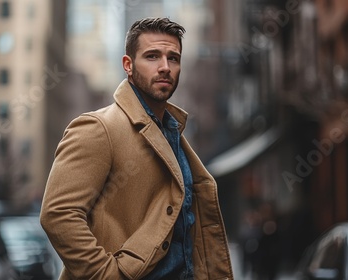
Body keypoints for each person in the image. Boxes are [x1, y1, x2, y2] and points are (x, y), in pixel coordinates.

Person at [40, 17, 234, 280]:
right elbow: (58, 214)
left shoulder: (172, 133)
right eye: (152, 56)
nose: (165, 67)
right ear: (128, 65)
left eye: (173, 58)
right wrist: (108, 275)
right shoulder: (98, 128)